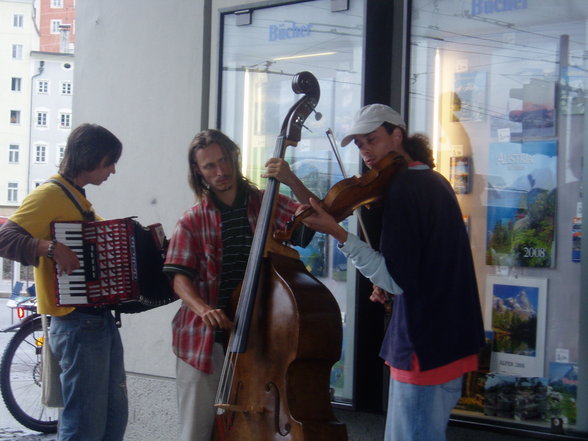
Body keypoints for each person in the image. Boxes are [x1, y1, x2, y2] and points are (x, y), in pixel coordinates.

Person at [301, 104, 486, 441]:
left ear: (397, 135)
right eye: (359, 144)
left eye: (372, 139)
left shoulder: (405, 190)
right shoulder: (434, 181)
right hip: (451, 339)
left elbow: (396, 279)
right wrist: (390, 280)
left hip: (425, 344)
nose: (365, 151)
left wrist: (339, 233)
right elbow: (424, 267)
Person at [162, 129, 315, 441]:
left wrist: (290, 180)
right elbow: (179, 278)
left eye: (224, 160)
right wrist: (204, 309)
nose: (221, 171)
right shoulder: (191, 220)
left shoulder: (265, 202)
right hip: (203, 341)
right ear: (198, 171)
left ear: (234, 157)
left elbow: (315, 220)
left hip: (257, 339)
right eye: (210, 166)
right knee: (195, 433)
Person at [0, 123, 127, 441]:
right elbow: (4, 237)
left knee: (113, 417)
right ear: (90, 157)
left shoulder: (77, 199)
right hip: (76, 323)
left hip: (98, 322)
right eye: (109, 161)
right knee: (83, 423)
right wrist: (50, 248)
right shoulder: (50, 195)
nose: (113, 170)